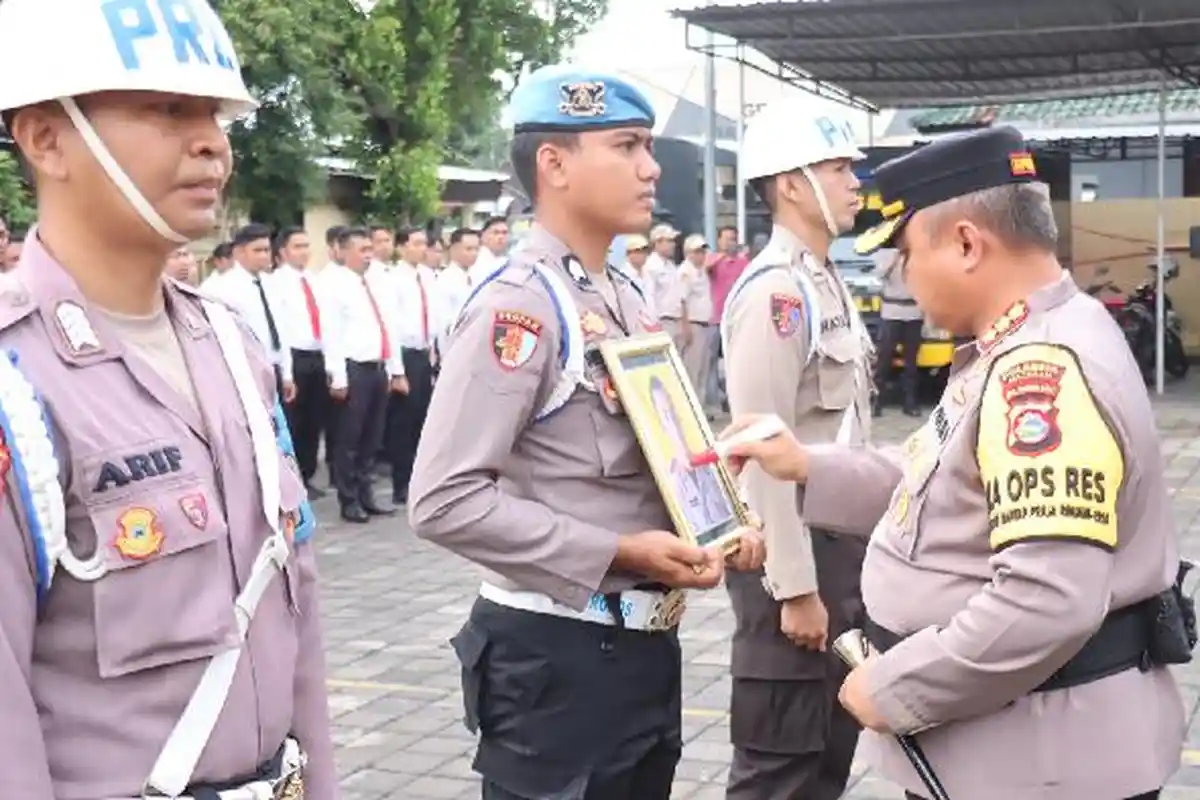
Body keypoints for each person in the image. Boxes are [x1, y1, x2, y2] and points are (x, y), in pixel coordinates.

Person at [719, 125, 1186, 800]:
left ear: (968, 243)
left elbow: (1046, 599)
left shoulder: (1041, 373)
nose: (899, 277)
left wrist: (894, 688)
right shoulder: (1021, 340)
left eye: (904, 254)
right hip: (1013, 747)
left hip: (1037, 763)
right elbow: (933, 480)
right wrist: (805, 466)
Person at [0, 0, 336, 797]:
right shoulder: (17, 384)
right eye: (168, 110)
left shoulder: (233, 349)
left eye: (217, 116)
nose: (213, 144)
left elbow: (301, 609)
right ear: (47, 138)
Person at [408, 64, 766, 800]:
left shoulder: (621, 293)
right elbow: (443, 499)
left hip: (640, 649)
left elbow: (652, 456)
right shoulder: (521, 308)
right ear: (555, 163)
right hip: (558, 660)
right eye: (627, 145)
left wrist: (720, 519)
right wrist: (618, 551)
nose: (651, 166)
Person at [718, 101, 874, 800]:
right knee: (780, 769)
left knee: (824, 763)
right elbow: (761, 447)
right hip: (796, 560)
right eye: (838, 168)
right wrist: (796, 587)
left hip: (838, 551)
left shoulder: (824, 277)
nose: (854, 182)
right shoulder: (776, 292)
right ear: (789, 183)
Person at [322, 225, 406, 522]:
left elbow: (389, 327)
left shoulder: (376, 283)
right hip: (353, 368)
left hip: (377, 367)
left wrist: (397, 370)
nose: (368, 255)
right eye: (362, 250)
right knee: (349, 438)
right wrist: (338, 376)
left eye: (370, 249)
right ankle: (349, 499)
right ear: (343, 251)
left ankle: (367, 495)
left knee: (372, 435)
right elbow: (330, 334)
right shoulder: (334, 285)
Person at [273, 225, 329, 499]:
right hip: (294, 358)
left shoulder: (315, 279)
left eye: (307, 245)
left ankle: (307, 475)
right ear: (282, 252)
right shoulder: (275, 283)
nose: (304, 252)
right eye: (298, 246)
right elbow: (280, 328)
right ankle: (292, 479)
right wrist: (287, 372)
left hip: (318, 355)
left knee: (314, 421)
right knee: (294, 420)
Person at [388, 226, 439, 506]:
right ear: (401, 247)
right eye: (416, 243)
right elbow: (391, 325)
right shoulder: (392, 279)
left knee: (423, 421)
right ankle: (401, 483)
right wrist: (396, 370)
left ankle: (421, 480)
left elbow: (436, 320)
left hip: (424, 354)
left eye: (424, 243)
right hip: (403, 355)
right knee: (403, 424)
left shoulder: (429, 277)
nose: (422, 248)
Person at [647, 376, 733, 534]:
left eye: (672, 410)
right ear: (661, 424)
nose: (672, 420)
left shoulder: (710, 465)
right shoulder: (669, 482)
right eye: (665, 415)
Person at [873, 250, 924, 417]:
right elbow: (879, 274)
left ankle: (910, 402)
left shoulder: (918, 251)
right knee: (884, 357)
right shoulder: (886, 252)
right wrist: (895, 257)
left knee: (911, 362)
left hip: (914, 312)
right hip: (891, 312)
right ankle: (877, 399)